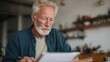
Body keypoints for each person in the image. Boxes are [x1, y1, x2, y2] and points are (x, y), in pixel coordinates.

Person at [2, 0, 79, 62]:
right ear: (33, 18)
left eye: (51, 20)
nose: (48, 24)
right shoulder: (17, 38)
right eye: (44, 19)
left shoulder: (56, 35)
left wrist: (74, 58)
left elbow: (70, 54)